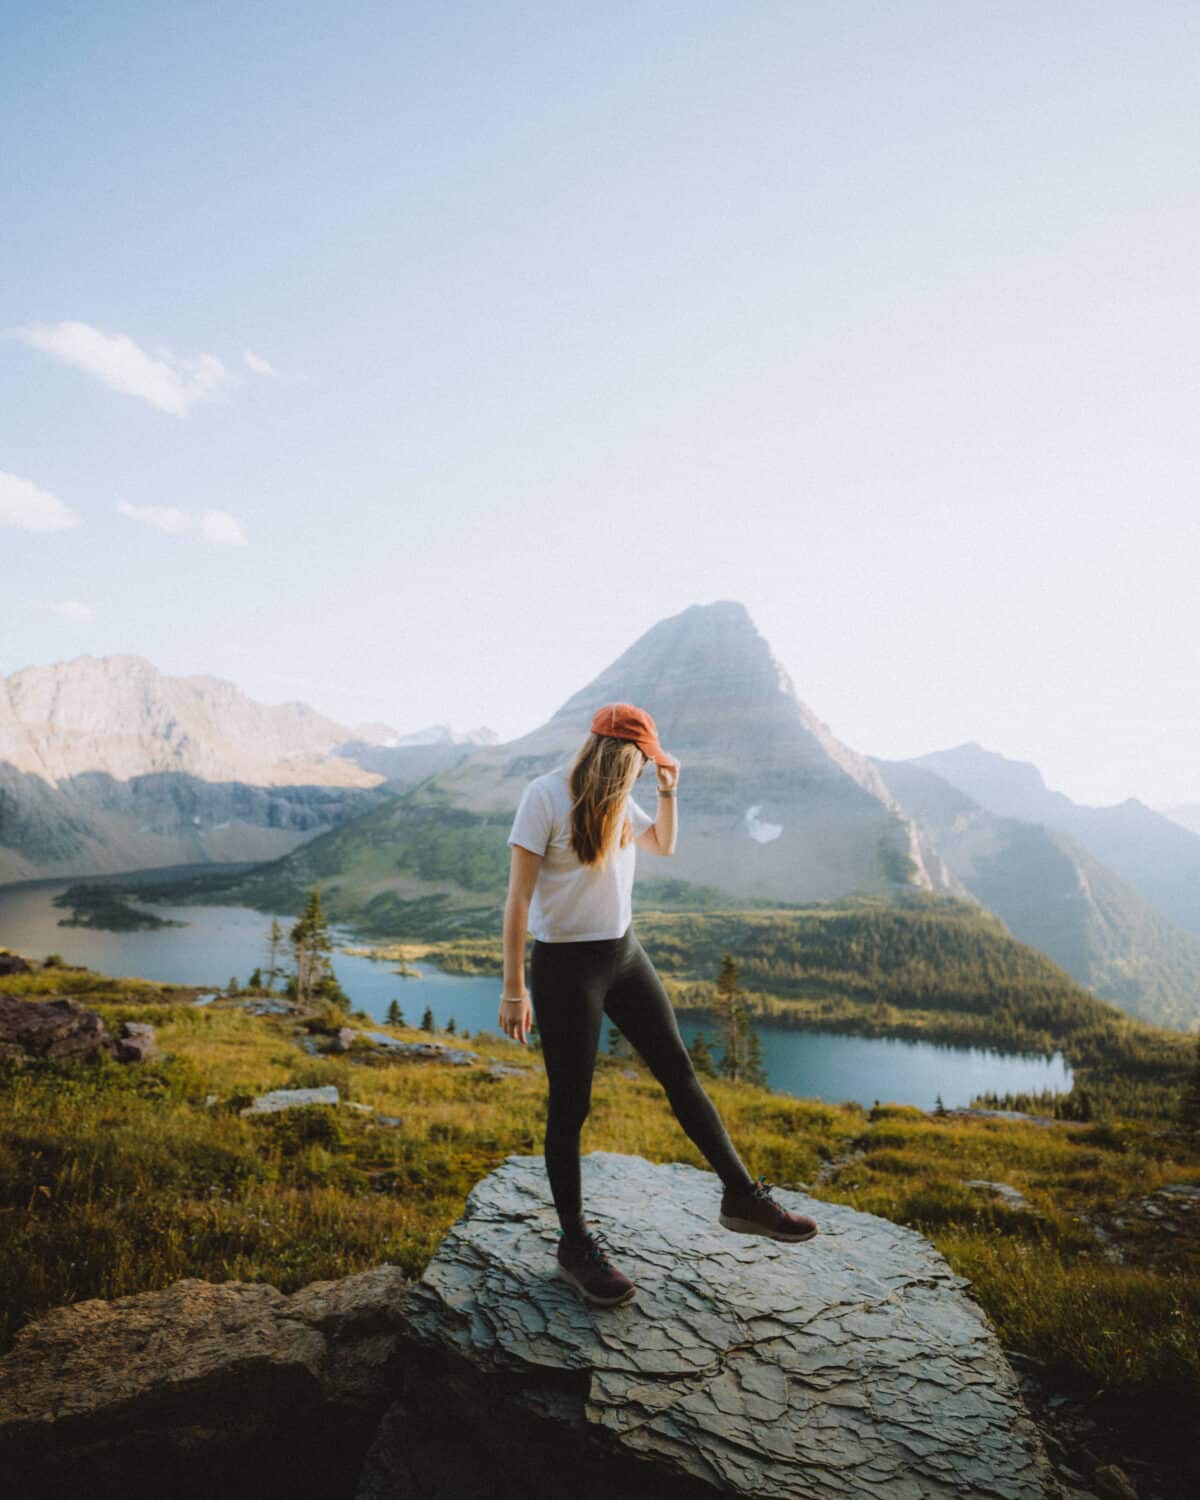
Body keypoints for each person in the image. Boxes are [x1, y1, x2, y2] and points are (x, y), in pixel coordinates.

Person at [500, 701, 818, 1308]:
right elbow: (517, 901)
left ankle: (740, 1195)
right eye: (645, 763)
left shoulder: (623, 795)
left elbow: (663, 846)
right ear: (621, 757)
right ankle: (574, 1245)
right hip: (565, 967)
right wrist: (514, 988)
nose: (645, 772)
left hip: (623, 955)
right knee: (571, 1105)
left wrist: (670, 791)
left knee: (678, 1070)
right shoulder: (543, 796)